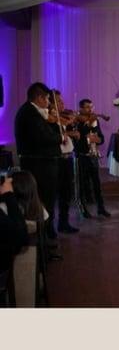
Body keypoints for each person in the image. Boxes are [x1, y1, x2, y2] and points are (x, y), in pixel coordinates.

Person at [14, 82, 62, 240]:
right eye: (47, 98)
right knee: (44, 200)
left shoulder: (34, 112)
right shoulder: (30, 113)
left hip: (43, 164)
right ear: (39, 98)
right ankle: (44, 235)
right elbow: (43, 138)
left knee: (47, 199)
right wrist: (60, 137)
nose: (48, 102)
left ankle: (46, 233)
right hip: (39, 166)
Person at [50, 90, 80, 233]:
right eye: (58, 101)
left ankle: (64, 222)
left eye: (61, 101)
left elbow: (64, 126)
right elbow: (55, 135)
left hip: (67, 158)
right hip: (58, 160)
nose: (62, 103)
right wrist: (69, 131)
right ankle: (52, 225)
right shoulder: (49, 118)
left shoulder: (58, 118)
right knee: (58, 194)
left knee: (66, 193)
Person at [75, 99, 111, 218]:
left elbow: (101, 137)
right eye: (87, 107)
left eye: (91, 107)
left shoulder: (95, 121)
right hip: (82, 157)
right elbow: (78, 139)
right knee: (83, 184)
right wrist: (88, 136)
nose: (90, 110)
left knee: (97, 184)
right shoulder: (77, 121)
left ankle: (101, 208)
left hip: (93, 156)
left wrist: (98, 140)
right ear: (81, 109)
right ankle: (83, 209)